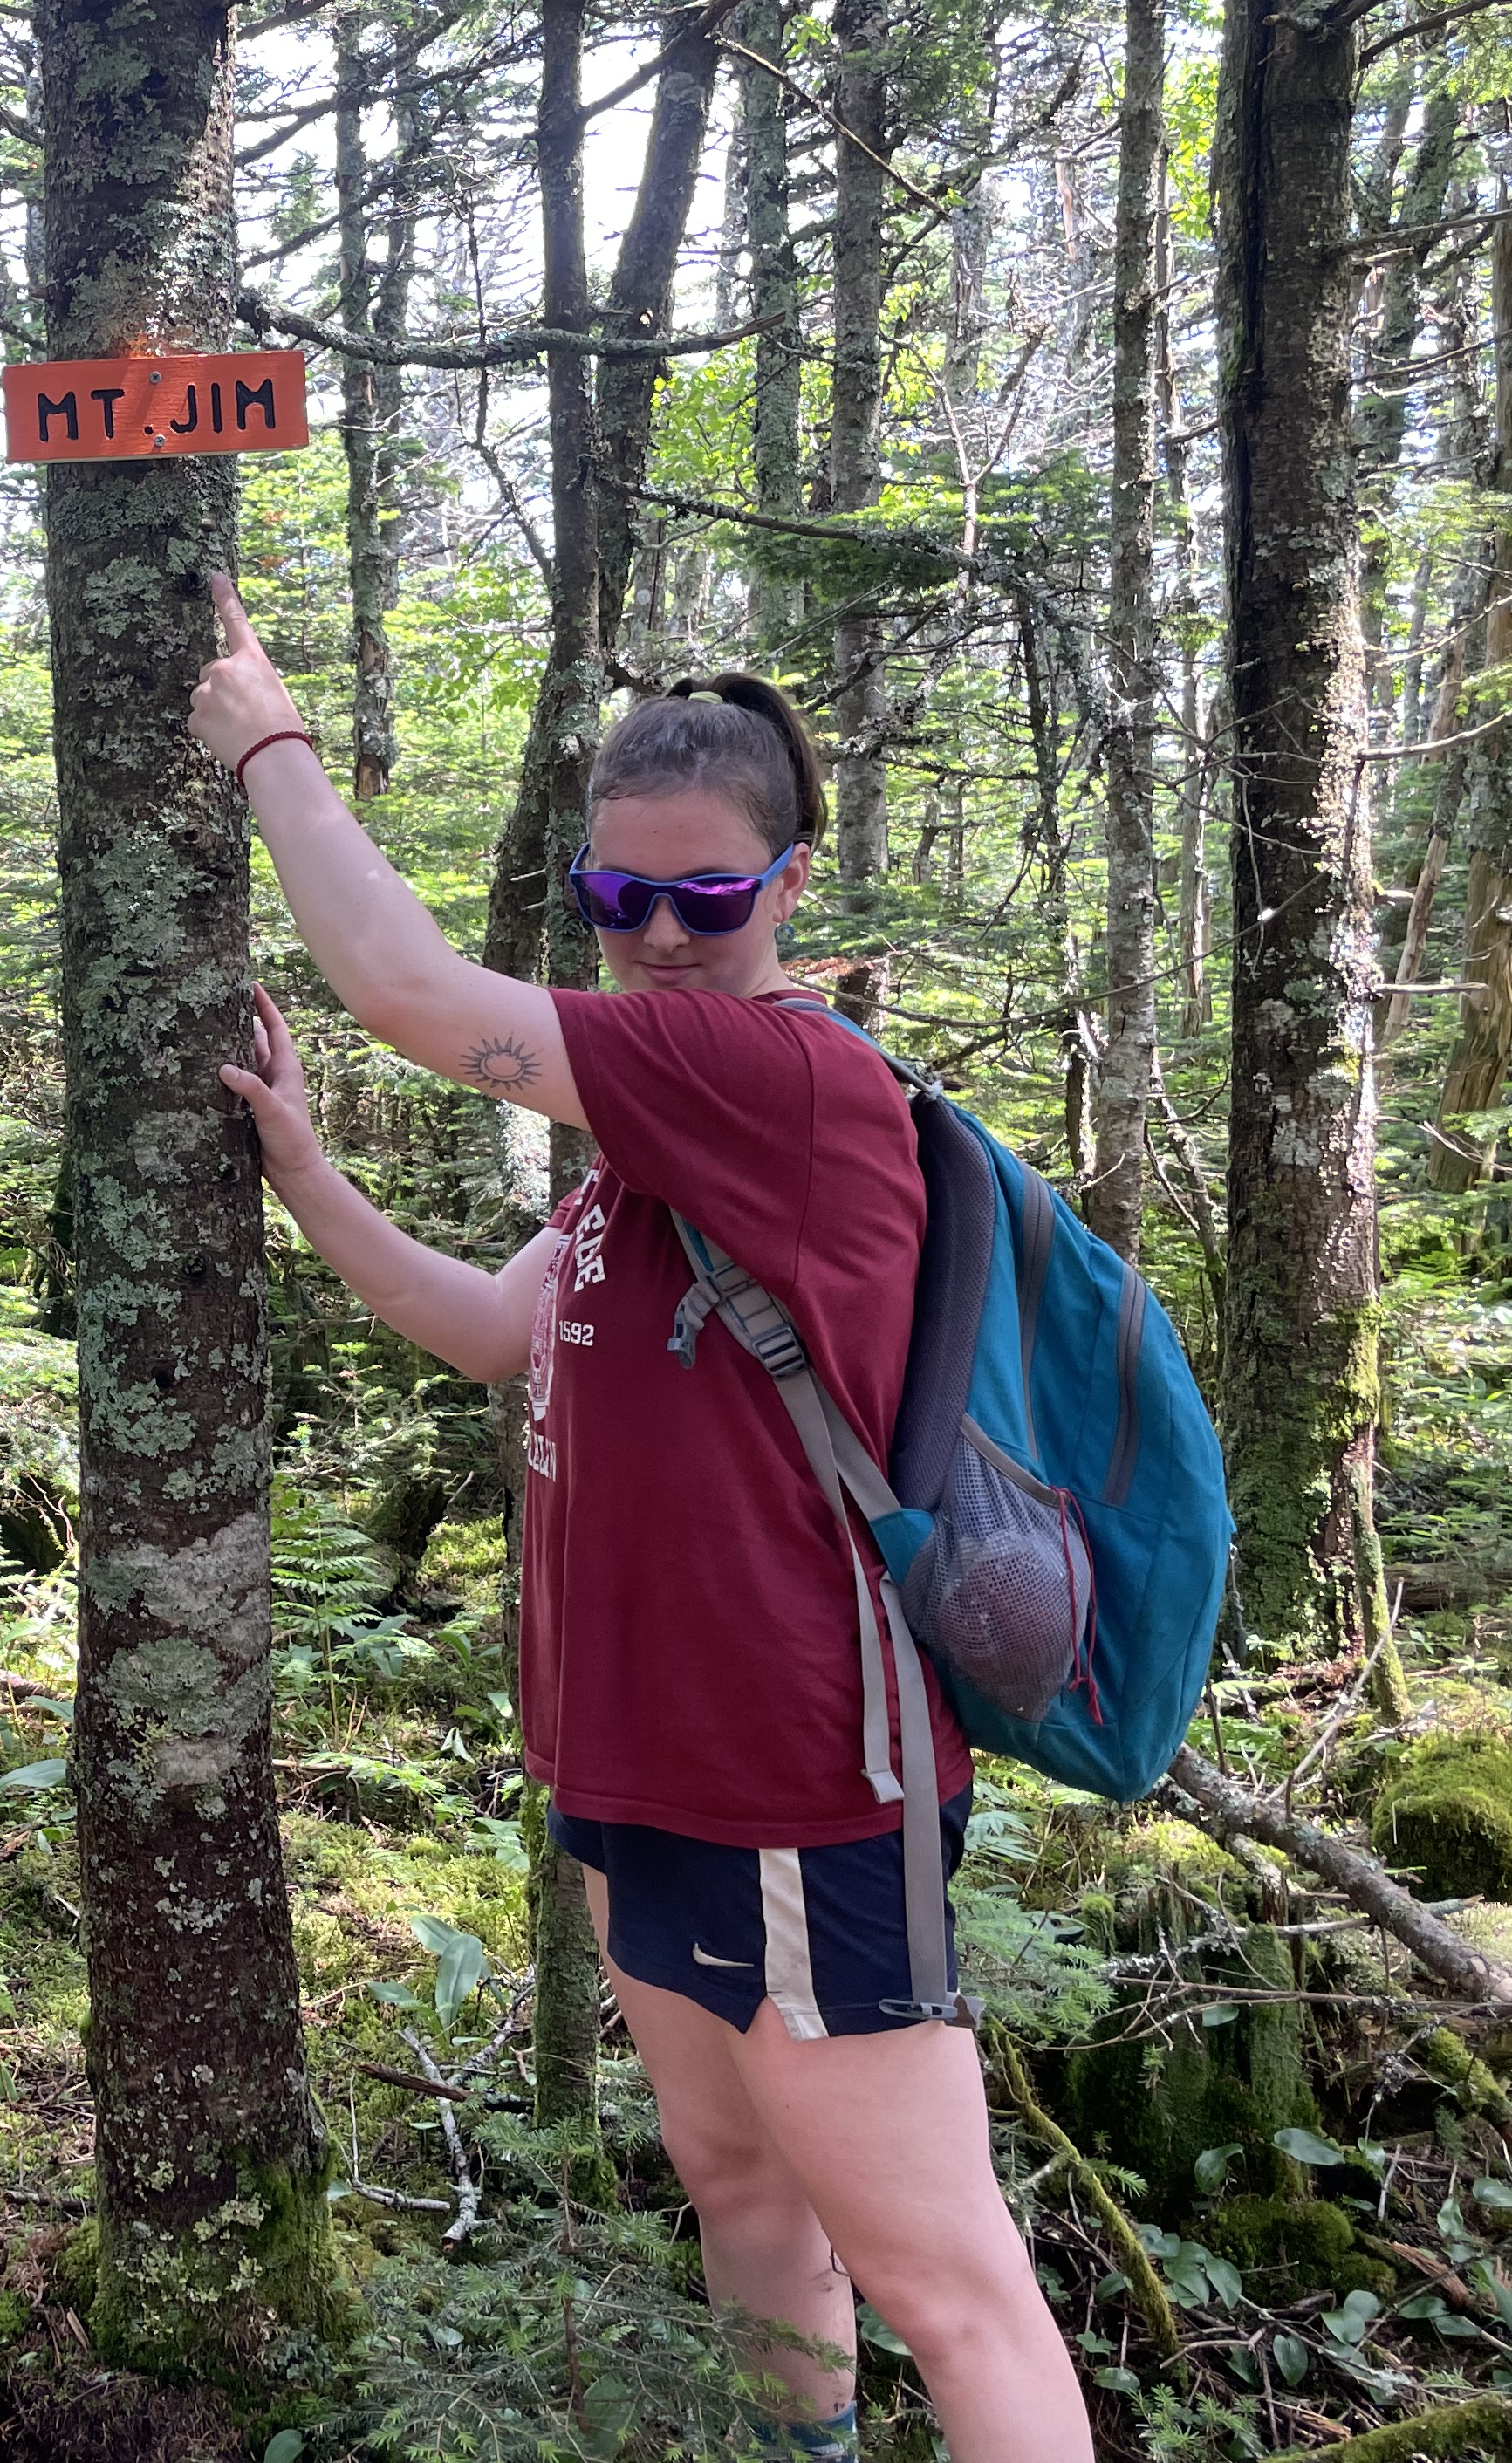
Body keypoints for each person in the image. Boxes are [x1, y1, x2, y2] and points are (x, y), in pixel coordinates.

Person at [188, 579, 1087, 2463]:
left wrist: (268, 743)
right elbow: (503, 1330)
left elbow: (416, 997)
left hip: (798, 1781)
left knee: (944, 2279)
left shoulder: (786, 1083)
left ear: (790, 891)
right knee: (736, 2188)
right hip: (634, 1769)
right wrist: (305, 1173)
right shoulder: (649, 1149)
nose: (662, 937)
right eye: (619, 900)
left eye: (709, 896)